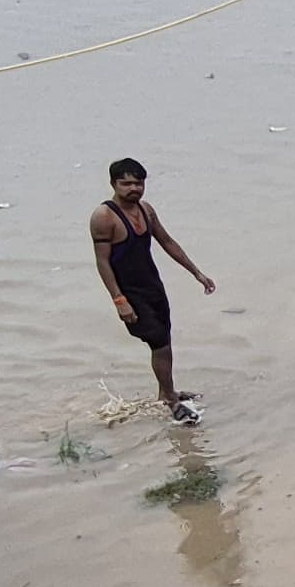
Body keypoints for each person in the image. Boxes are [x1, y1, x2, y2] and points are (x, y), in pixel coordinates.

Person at [91, 159, 216, 423]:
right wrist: (119, 299)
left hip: (152, 285)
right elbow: (102, 262)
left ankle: (167, 392)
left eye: (138, 182)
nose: (133, 188)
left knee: (165, 340)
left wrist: (197, 273)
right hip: (129, 291)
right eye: (126, 183)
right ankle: (169, 399)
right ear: (113, 184)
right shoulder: (104, 217)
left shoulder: (146, 210)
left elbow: (167, 241)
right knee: (158, 342)